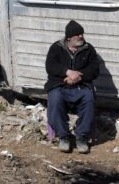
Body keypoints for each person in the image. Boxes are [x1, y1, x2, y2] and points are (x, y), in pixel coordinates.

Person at [45, 20, 99, 154]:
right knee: (55, 98)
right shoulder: (56, 48)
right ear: (69, 37)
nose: (81, 36)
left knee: (89, 98)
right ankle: (63, 137)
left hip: (81, 85)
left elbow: (94, 69)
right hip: (60, 85)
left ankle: (81, 137)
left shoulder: (88, 49)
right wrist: (67, 73)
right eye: (77, 35)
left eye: (81, 34)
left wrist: (79, 76)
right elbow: (50, 66)